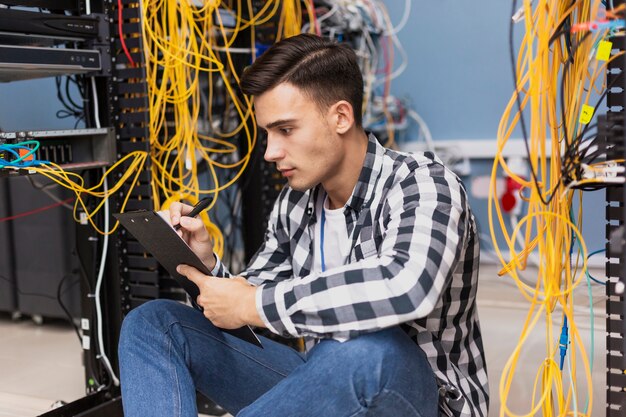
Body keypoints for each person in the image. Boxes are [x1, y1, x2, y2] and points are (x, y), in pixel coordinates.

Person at [118, 33, 488, 417]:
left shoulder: (423, 183)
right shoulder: (296, 202)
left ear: (341, 117)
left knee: (367, 349)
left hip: (416, 396)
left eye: (286, 130)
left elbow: (406, 287)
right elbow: (252, 302)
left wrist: (252, 303)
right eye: (266, 133)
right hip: (327, 384)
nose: (270, 151)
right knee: (154, 323)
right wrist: (210, 266)